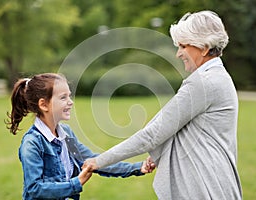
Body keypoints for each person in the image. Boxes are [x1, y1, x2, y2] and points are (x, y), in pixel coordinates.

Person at [83, 10, 243, 200]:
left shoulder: (203, 82)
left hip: (205, 186)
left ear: (204, 47)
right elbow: (191, 130)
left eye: (183, 46)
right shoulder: (218, 76)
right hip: (216, 183)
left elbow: (152, 134)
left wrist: (99, 161)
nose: (178, 53)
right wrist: (163, 153)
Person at [6, 73, 154, 200]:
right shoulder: (32, 143)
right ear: (44, 105)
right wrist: (76, 183)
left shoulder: (66, 134)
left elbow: (94, 161)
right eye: (63, 97)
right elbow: (35, 188)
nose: (70, 102)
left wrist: (137, 167)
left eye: (69, 96)